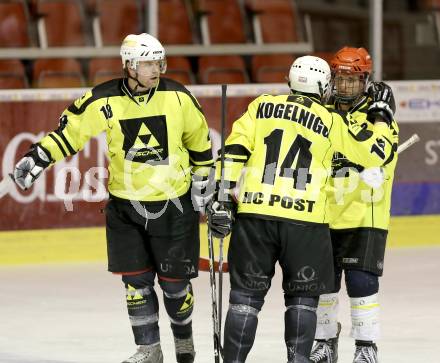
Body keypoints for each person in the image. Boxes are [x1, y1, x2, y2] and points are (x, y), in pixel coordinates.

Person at [13, 33, 214, 363]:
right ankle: (149, 350)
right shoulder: (102, 100)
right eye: (148, 63)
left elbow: (200, 141)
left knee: (176, 288)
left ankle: (184, 344)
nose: (156, 70)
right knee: (136, 285)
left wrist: (204, 182)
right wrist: (38, 158)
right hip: (125, 206)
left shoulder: (178, 96)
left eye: (159, 62)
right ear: (130, 65)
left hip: (175, 206)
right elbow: (70, 134)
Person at [206, 55, 397, 363]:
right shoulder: (331, 119)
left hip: (256, 218)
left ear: (289, 82)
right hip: (306, 224)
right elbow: (376, 152)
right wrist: (382, 116)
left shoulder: (261, 106)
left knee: (245, 300)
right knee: (302, 302)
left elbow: (233, 151)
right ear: (325, 87)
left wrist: (223, 198)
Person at [309, 47, 399, 363]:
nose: (345, 86)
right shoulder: (322, 113)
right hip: (324, 211)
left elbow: (386, 152)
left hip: (364, 212)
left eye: (353, 80)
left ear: (364, 81)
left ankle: (366, 347)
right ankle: (324, 342)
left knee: (361, 282)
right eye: (341, 79)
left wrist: (380, 170)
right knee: (323, 284)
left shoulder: (377, 116)